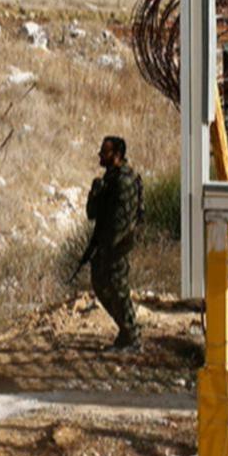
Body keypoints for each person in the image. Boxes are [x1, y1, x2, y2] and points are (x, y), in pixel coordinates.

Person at [75, 135, 144, 351]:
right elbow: (92, 213)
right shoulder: (110, 179)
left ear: (116, 155)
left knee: (118, 289)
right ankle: (126, 332)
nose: (100, 155)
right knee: (103, 285)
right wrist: (96, 192)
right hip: (109, 245)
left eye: (104, 152)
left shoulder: (123, 181)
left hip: (118, 246)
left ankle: (131, 336)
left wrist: (108, 250)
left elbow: (121, 221)